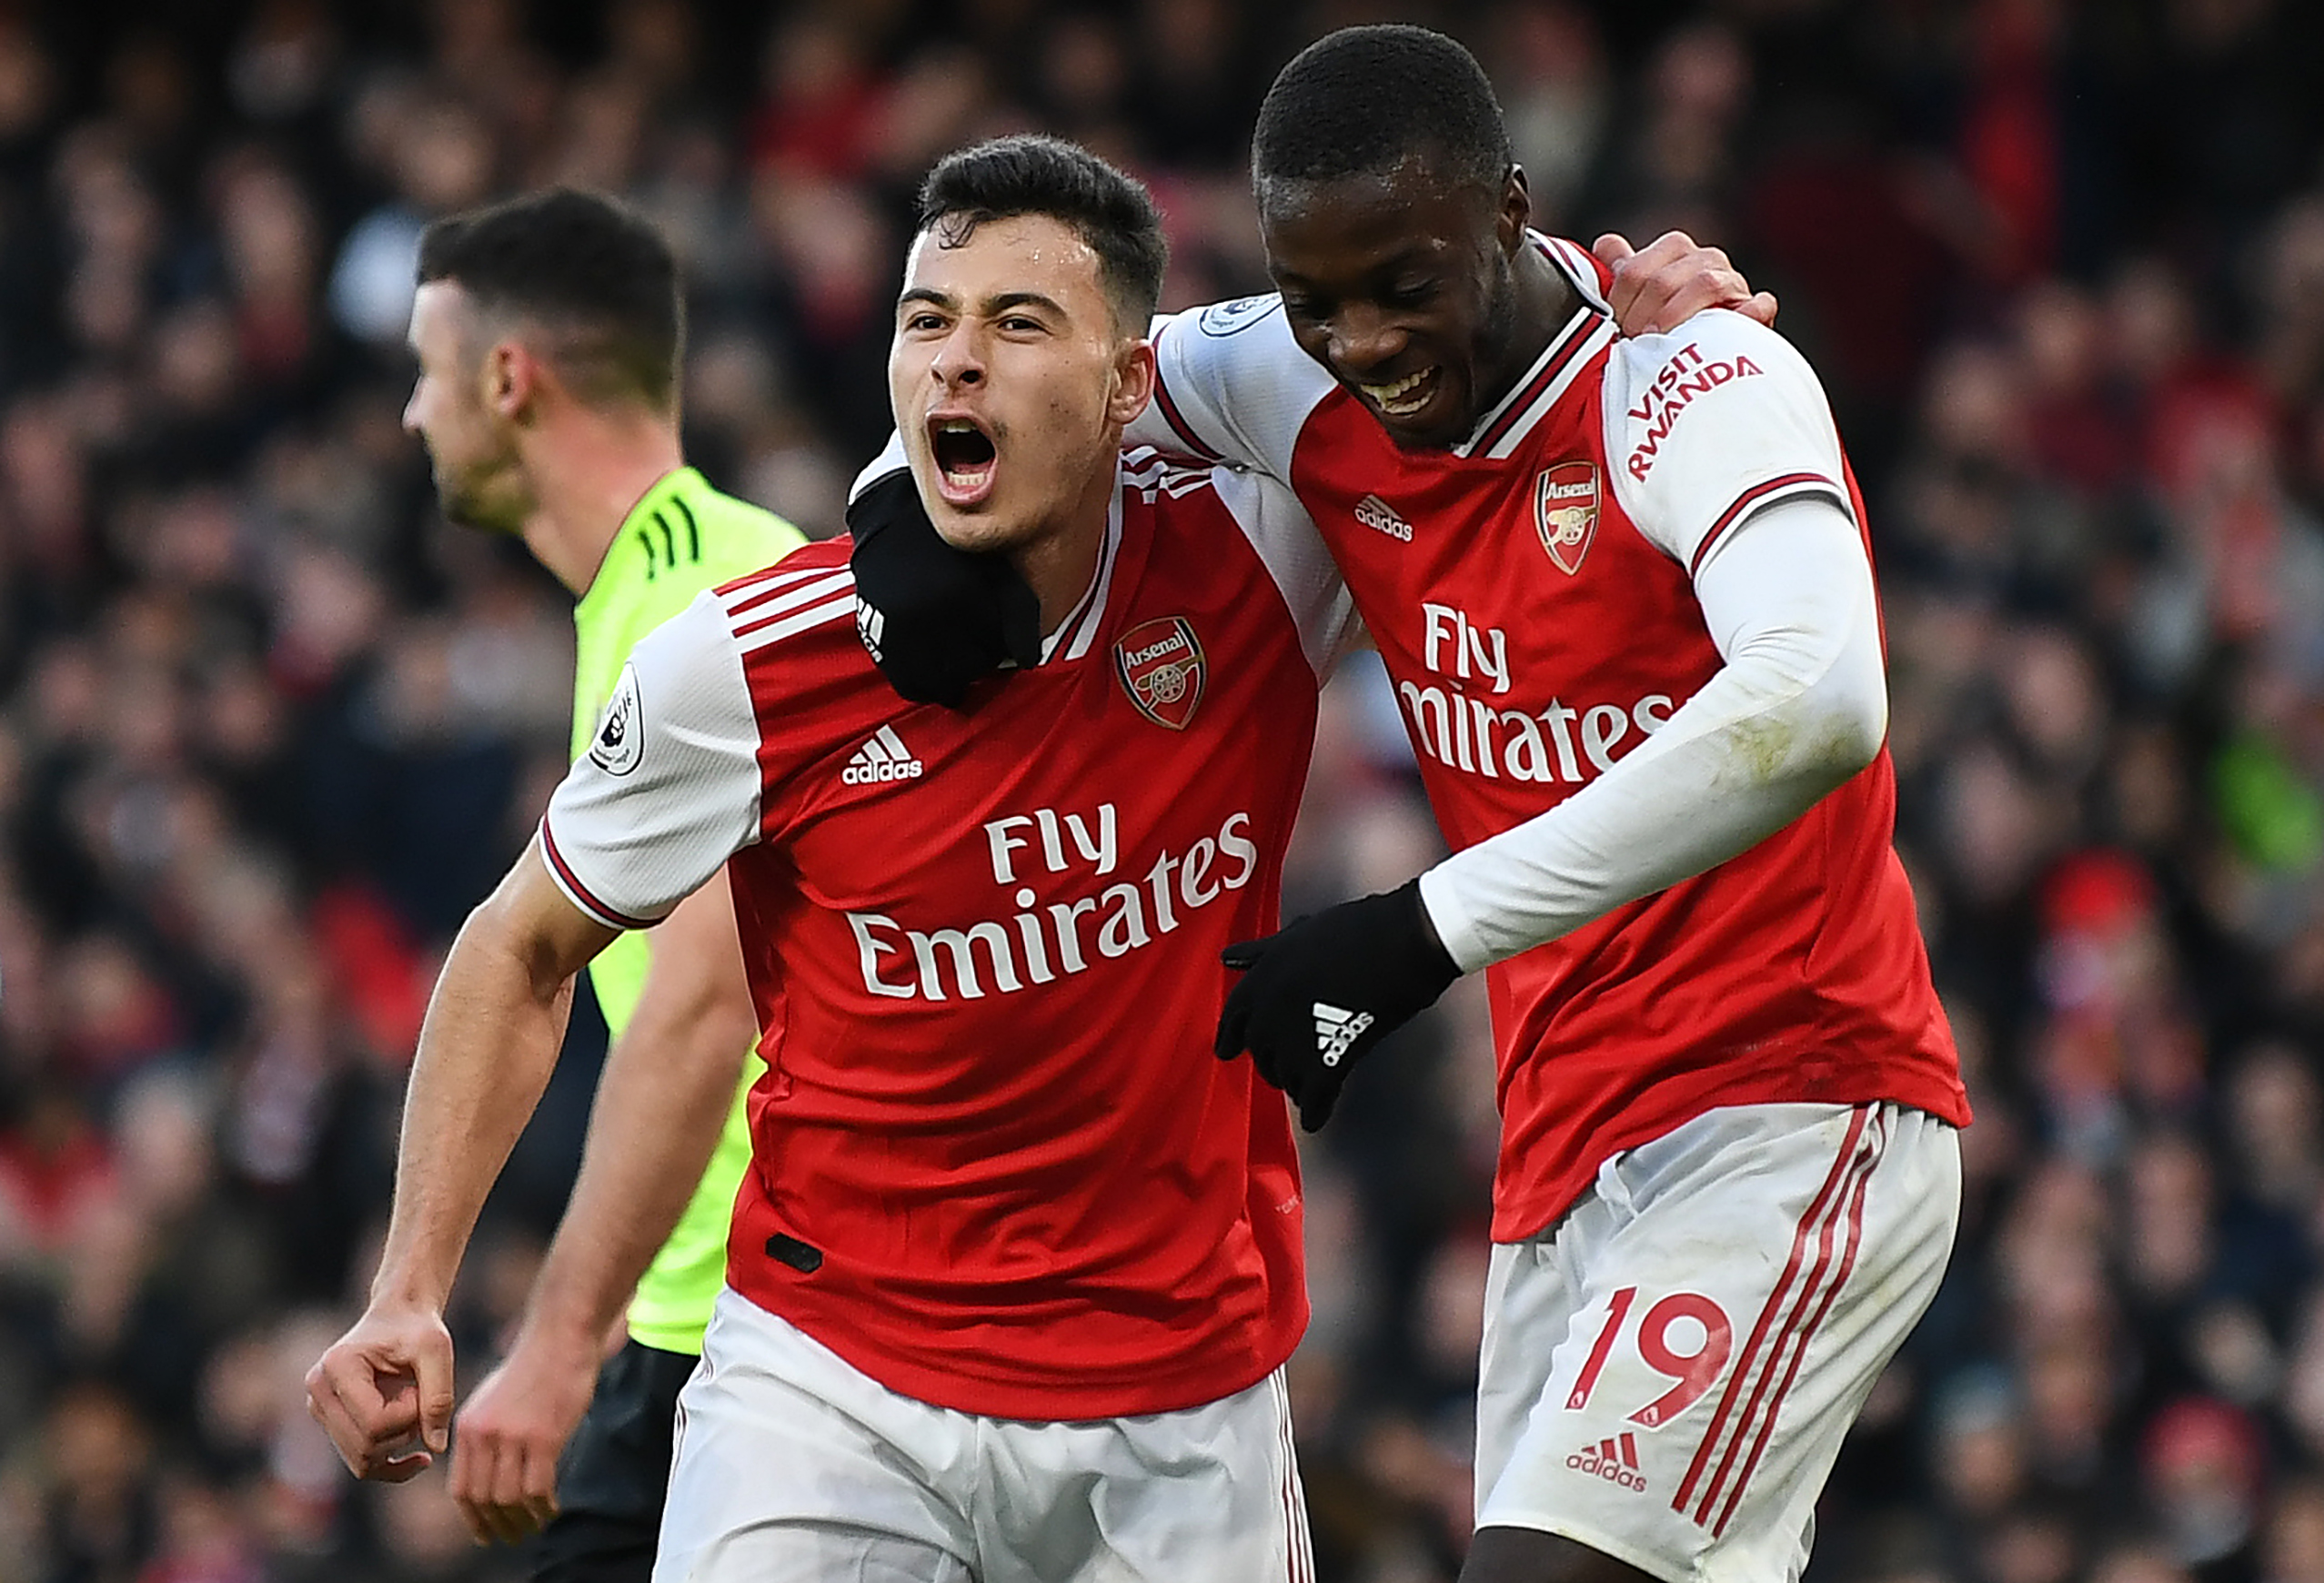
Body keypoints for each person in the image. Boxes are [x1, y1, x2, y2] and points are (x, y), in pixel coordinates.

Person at [304, 137, 1752, 1581]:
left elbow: (1445, 374)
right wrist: (409, 1288)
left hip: (1182, 1400)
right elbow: (518, 947)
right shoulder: (751, 664)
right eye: (926, 323)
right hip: (832, 1381)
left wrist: (1615, 303)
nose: (955, 365)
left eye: (1017, 325)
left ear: (1133, 386)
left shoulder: (1262, 552)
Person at [847, 26, 1970, 1583]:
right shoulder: (1288, 377)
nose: (1364, 339)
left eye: (1405, 283)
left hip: (1793, 1103)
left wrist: (1418, 934)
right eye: (1319, 298)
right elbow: (1028, 388)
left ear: (1511, 211)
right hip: (1566, 1143)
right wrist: (891, 515)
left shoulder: (1692, 375)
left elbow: (1823, 698)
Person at [301, 187, 806, 1580]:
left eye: (423, 371)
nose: (412, 415)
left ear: (507, 379)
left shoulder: (721, 603)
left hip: (758, 1345)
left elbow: (707, 1002)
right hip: (690, 1322)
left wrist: (561, 1337)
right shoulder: (660, 594)